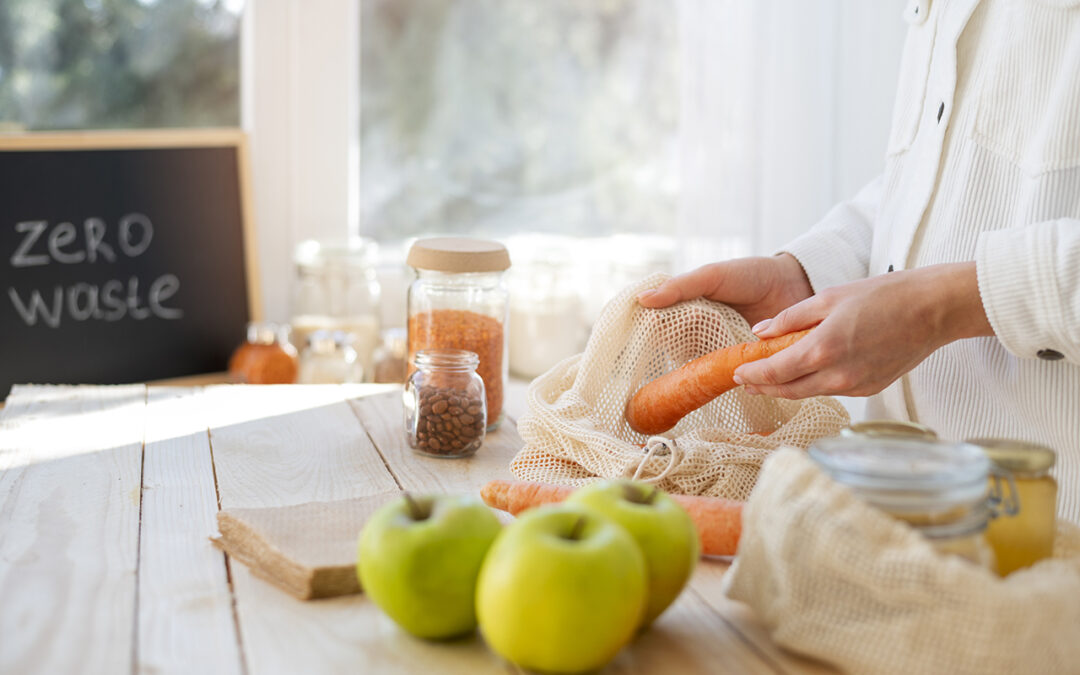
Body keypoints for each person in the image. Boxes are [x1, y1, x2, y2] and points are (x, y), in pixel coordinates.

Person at [638, 0, 1079, 520]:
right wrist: (806, 275)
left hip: (1048, 528)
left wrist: (939, 306)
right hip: (897, 507)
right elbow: (935, 178)